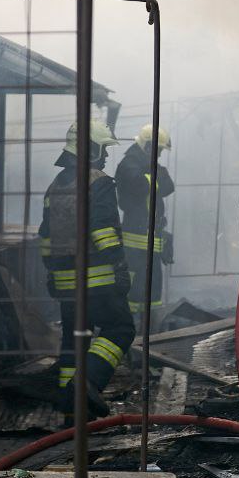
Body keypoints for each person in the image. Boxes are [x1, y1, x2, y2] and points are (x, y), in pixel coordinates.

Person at [39, 119, 134, 419]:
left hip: (67, 284)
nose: (106, 156)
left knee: (74, 341)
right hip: (98, 279)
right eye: (103, 149)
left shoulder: (55, 187)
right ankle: (86, 385)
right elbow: (103, 229)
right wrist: (119, 263)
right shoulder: (99, 183)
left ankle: (72, 412)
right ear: (89, 148)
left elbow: (45, 237)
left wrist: (54, 273)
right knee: (120, 329)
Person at [115, 124, 176, 331]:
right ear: (147, 146)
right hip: (136, 241)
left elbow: (169, 186)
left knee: (151, 293)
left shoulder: (146, 165)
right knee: (134, 292)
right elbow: (138, 185)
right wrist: (155, 178)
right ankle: (130, 337)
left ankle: (149, 340)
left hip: (151, 240)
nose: (159, 155)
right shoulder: (128, 165)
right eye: (158, 150)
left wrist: (153, 178)